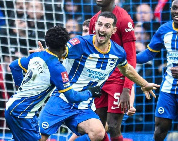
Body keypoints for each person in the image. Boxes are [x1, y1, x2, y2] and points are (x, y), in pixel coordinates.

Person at [33, 11, 159, 141]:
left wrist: (144, 84)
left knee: (99, 132)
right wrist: (45, 54)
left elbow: (127, 69)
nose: (102, 29)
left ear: (114, 30)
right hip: (61, 99)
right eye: (100, 24)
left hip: (83, 105)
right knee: (40, 137)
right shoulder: (79, 43)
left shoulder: (118, 52)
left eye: (107, 26)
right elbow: (61, 52)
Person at [4, 26, 102, 141]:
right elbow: (72, 97)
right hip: (21, 113)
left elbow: (14, 66)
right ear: (64, 45)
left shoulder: (37, 55)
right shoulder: (57, 68)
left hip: (13, 105)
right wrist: (90, 92)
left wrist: (20, 87)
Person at [89, 0, 136, 140]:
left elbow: (131, 57)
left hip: (118, 79)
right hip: (100, 79)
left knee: (114, 126)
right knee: (97, 128)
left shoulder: (124, 19)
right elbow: (91, 52)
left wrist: (126, 89)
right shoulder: (95, 20)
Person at [136, 0, 178, 141]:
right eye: (174, 8)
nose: (177, 11)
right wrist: (128, 57)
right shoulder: (164, 30)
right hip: (168, 88)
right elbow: (148, 54)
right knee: (160, 129)